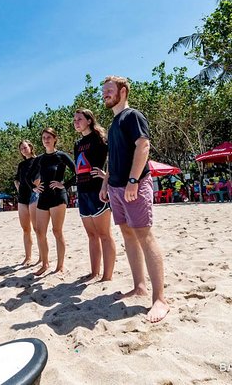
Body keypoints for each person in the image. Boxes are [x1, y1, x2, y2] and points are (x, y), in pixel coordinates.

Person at [99, 75, 169, 323]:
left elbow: (143, 146)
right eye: (104, 91)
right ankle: (140, 286)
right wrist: (106, 183)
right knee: (128, 235)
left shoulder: (132, 116)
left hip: (133, 186)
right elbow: (114, 156)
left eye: (109, 90)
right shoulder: (113, 123)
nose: (105, 94)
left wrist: (133, 180)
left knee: (144, 235)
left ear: (123, 91)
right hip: (116, 188)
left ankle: (160, 299)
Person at [73, 108, 116, 282]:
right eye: (74, 120)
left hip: (98, 191)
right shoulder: (77, 144)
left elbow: (115, 158)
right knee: (91, 235)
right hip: (82, 192)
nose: (76, 122)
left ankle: (107, 276)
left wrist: (106, 176)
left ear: (89, 120)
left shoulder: (100, 140)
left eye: (79, 119)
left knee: (104, 234)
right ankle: (94, 272)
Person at [28, 127, 75, 276]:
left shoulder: (61, 156)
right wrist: (34, 188)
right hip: (43, 198)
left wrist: (65, 185)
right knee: (40, 232)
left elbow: (78, 171)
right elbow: (28, 177)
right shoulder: (39, 159)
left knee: (57, 231)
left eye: (49, 137)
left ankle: (60, 265)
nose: (46, 140)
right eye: (43, 138)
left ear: (55, 139)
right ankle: (45, 264)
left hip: (57, 197)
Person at [14, 140, 39, 266]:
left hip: (34, 196)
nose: (23, 149)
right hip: (22, 197)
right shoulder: (21, 165)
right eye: (21, 148)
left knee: (37, 228)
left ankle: (41, 257)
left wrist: (36, 187)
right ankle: (28, 257)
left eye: (25, 147)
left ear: (30, 147)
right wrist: (18, 187)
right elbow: (16, 179)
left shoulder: (38, 160)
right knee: (25, 229)